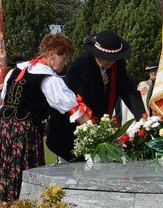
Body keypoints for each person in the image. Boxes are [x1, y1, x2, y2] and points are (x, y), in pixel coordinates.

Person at [0, 33, 90, 201]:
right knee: (22, 174)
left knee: (1, 172)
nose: (65, 62)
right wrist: (93, 129)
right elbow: (74, 109)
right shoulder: (48, 78)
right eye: (63, 57)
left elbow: (3, 103)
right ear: (52, 54)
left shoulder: (15, 71)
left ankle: (0, 207)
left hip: (1, 129)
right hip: (23, 132)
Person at [46, 30, 146, 162]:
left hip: (98, 131)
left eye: (115, 58)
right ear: (97, 53)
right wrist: (99, 131)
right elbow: (80, 106)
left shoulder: (117, 64)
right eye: (108, 58)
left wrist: (143, 118)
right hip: (71, 134)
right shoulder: (80, 67)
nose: (112, 62)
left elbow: (129, 91)